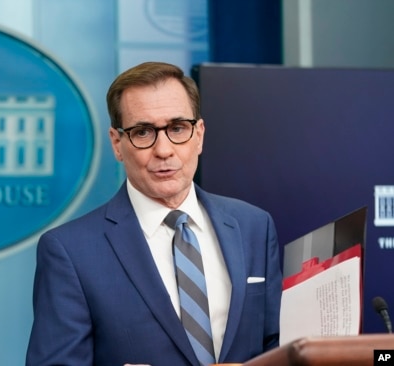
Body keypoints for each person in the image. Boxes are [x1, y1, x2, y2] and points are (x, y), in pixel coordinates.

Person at [25, 61, 282, 366]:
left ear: (198, 135)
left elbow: (278, 344)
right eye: (143, 132)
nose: (164, 150)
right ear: (117, 143)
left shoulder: (254, 226)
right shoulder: (70, 252)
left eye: (177, 128)